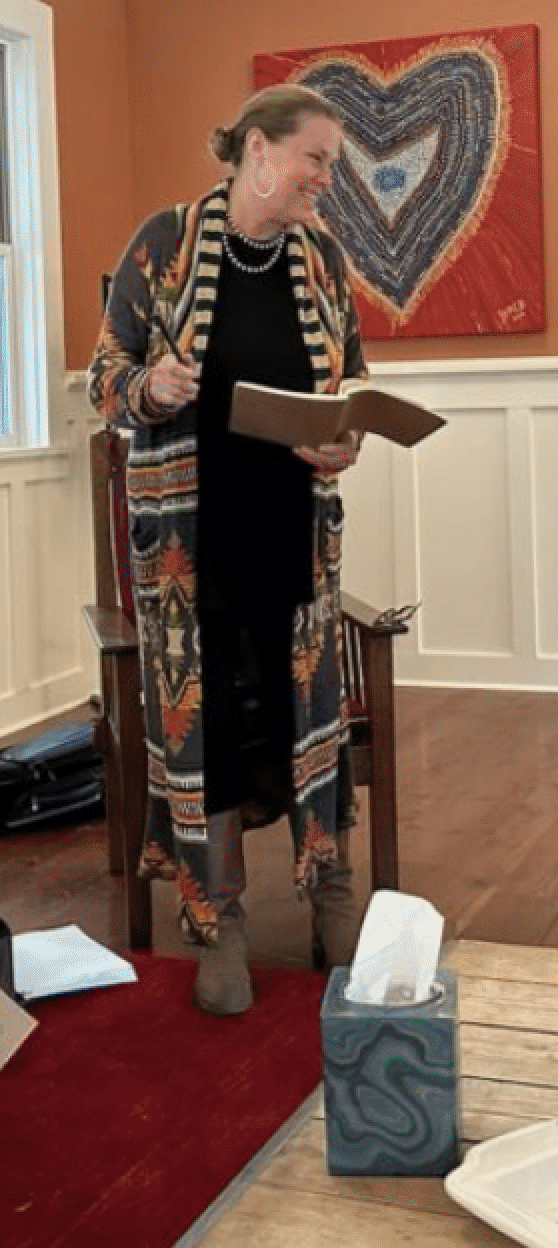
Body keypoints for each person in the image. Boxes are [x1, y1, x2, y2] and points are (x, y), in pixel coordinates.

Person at [88, 85, 367, 1015]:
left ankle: (330, 896)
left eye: (331, 163)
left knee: (302, 711)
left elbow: (353, 375)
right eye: (317, 158)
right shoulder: (162, 242)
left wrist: (349, 431)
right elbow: (105, 379)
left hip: (295, 528)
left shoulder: (323, 258)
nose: (327, 179)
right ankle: (225, 921)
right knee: (212, 722)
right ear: (257, 149)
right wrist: (154, 388)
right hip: (187, 542)